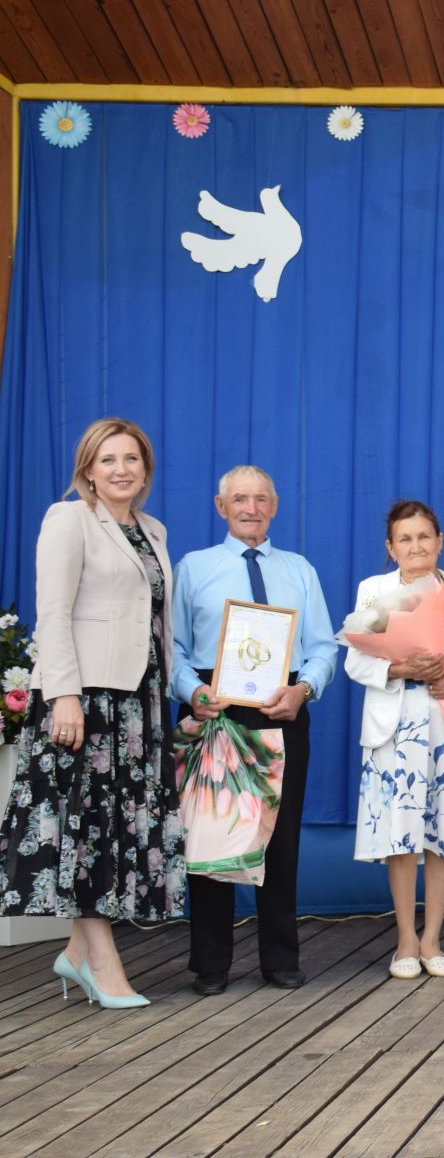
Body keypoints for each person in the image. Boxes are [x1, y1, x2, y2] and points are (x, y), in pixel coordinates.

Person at [0, 419, 184, 1008]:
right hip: (88, 702)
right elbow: (51, 614)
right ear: (88, 470)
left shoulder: (152, 529)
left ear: (145, 470)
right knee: (85, 830)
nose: (121, 469)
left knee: (111, 833)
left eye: (132, 459)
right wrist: (65, 697)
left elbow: (155, 623)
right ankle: (103, 966)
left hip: (139, 702)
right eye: (108, 460)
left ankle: (75, 956)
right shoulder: (68, 520)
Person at [171, 464, 337, 994]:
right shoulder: (193, 568)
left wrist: (305, 689)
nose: (251, 508)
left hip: (282, 706)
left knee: (281, 837)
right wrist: (189, 693)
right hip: (213, 708)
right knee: (211, 836)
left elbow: (323, 647)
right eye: (240, 499)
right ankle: (211, 965)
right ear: (221, 507)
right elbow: (169, 648)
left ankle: (280, 959)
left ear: (275, 505)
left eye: (261, 498)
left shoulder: (299, 569)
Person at [343, 500, 444, 980]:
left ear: (440, 541)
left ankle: (433, 939)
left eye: (424, 537)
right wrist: (397, 668)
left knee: (443, 835)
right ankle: (405, 940)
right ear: (391, 548)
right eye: (405, 539)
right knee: (402, 835)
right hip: (396, 729)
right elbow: (355, 661)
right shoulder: (376, 590)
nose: (416, 546)